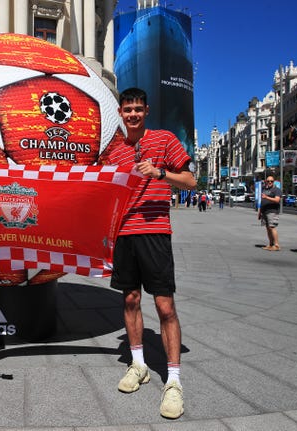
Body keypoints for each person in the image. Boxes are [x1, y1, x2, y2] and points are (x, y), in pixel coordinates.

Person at [100, 87, 196, 419]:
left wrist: (160, 173)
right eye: (128, 110)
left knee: (164, 305)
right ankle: (138, 364)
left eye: (138, 109)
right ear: (120, 112)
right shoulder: (113, 150)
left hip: (154, 233)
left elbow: (191, 181)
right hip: (124, 234)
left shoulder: (165, 139)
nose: (133, 115)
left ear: (147, 110)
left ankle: (173, 381)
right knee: (129, 301)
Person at [258, 176, 282, 251]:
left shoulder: (276, 190)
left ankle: (277, 245)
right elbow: (262, 201)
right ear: (266, 181)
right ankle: (271, 244)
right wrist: (260, 212)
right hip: (264, 211)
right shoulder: (264, 189)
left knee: (272, 227)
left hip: (272, 211)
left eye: (271, 181)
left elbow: (277, 200)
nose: (270, 182)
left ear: (273, 181)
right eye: (268, 181)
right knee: (268, 228)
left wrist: (267, 197)